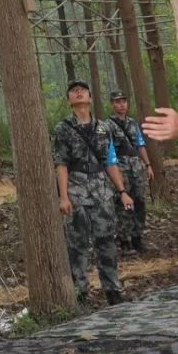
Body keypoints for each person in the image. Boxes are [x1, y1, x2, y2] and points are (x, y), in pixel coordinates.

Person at [53, 79, 135, 306]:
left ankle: (112, 290)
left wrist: (122, 191)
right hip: (76, 189)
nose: (78, 93)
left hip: (101, 190)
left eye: (82, 90)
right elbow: (60, 163)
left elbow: (110, 160)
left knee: (106, 240)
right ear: (69, 100)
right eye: (73, 91)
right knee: (77, 244)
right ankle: (80, 293)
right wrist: (63, 197)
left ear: (90, 97)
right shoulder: (63, 129)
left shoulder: (103, 127)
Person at [107, 88, 152, 251]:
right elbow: (108, 150)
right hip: (120, 167)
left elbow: (140, 145)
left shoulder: (133, 123)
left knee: (139, 201)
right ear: (112, 104)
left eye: (123, 101)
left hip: (136, 167)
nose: (121, 105)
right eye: (117, 102)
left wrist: (147, 165)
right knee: (123, 203)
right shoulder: (108, 126)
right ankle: (124, 239)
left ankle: (137, 237)